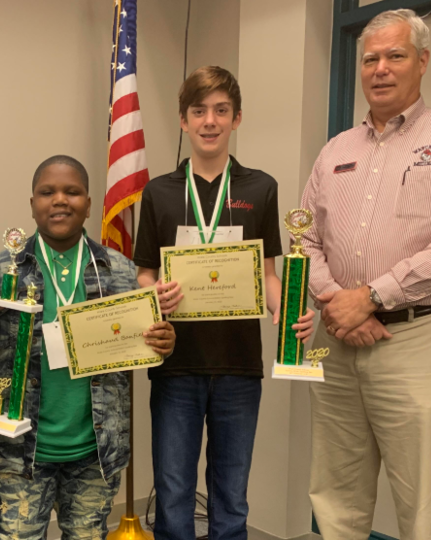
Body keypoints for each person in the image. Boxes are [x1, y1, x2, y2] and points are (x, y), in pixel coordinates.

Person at [301, 10, 431, 540]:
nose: (380, 68)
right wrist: (339, 302)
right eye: (370, 58)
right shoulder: (335, 150)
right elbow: (306, 240)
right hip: (337, 343)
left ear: (422, 61)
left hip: (416, 339)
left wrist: (371, 296)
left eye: (395, 56)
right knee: (335, 496)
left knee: (421, 506)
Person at [133, 66, 316, 540]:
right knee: (173, 492)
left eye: (220, 110)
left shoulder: (261, 188)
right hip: (175, 365)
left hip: (239, 367)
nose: (209, 121)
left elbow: (270, 276)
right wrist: (152, 294)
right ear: (183, 120)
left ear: (237, 119)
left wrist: (288, 308)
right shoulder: (158, 192)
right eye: (199, 111)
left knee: (231, 495)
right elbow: (146, 273)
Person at [0, 155, 176, 540]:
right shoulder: (2, 270)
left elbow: (146, 345)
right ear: (32, 204)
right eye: (47, 192)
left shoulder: (120, 271)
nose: (60, 200)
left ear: (88, 204)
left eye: (71, 192)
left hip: (95, 448)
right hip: (20, 449)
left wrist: (163, 342)